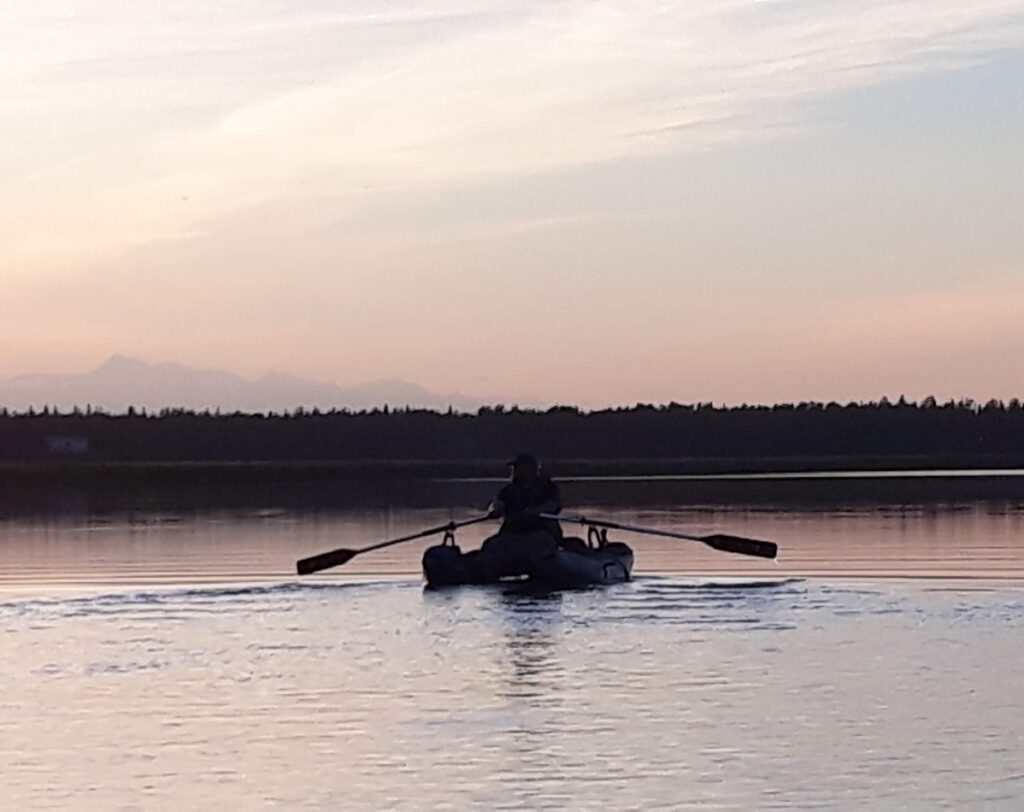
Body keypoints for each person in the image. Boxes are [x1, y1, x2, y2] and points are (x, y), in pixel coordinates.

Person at [476, 453, 562, 579]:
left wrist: (537, 511)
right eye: (514, 469)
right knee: (490, 545)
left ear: (531, 469)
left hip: (542, 532)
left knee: (539, 545)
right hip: (513, 534)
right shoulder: (509, 490)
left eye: (518, 468)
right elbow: (497, 503)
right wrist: (497, 509)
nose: (515, 472)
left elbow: (554, 504)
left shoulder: (547, 487)